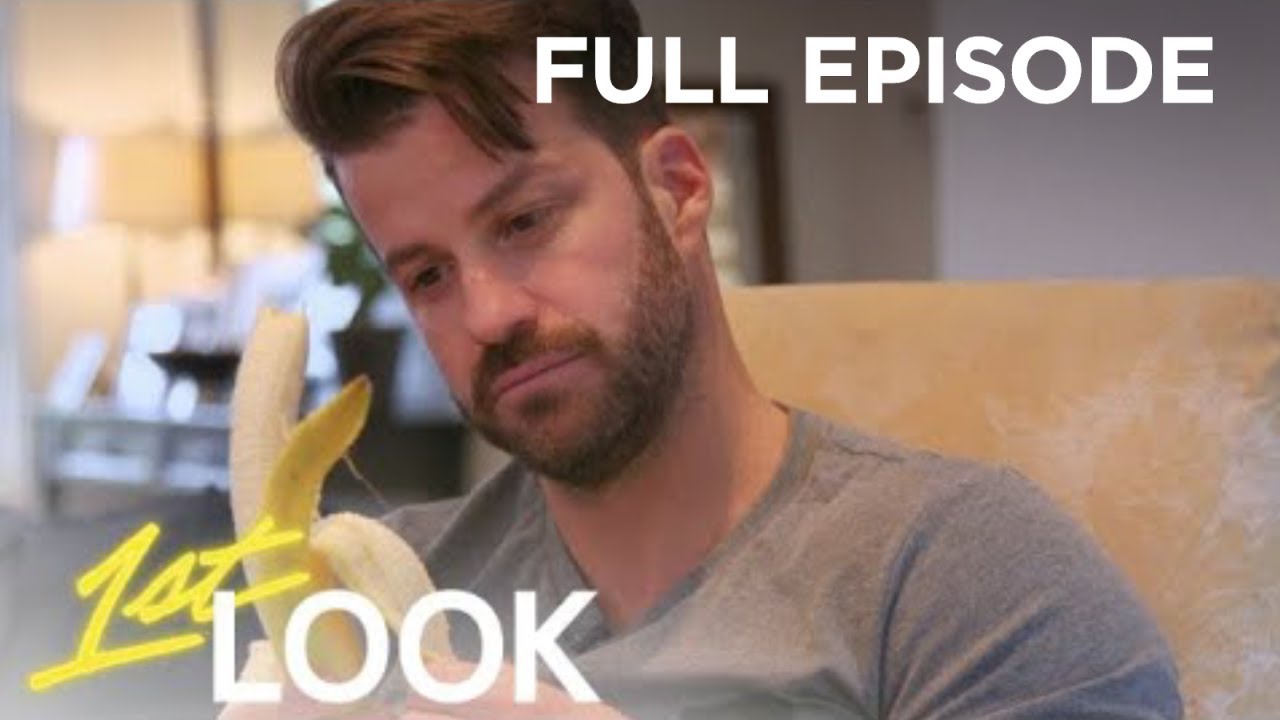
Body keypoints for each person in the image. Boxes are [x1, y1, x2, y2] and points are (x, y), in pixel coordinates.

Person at [227, 0, 1183, 717]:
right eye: (428, 275)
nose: (488, 313)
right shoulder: (372, 600)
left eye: (525, 221)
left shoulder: (964, 576)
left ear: (678, 189)